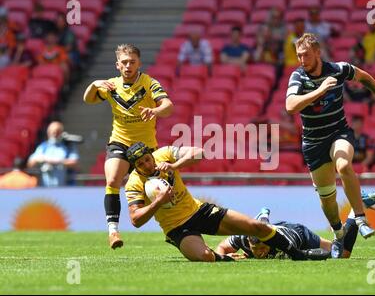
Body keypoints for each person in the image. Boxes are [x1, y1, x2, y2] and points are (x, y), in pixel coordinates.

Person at [285, 33, 375, 258]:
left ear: (318, 52)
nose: (301, 60)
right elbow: (290, 106)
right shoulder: (298, 77)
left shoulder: (339, 69)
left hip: (339, 133)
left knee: (344, 165)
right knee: (328, 200)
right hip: (313, 143)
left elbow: (364, 76)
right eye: (299, 55)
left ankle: (361, 218)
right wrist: (320, 90)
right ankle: (338, 234)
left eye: (306, 55)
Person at [125, 142, 321, 262]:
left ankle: (297, 254)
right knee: (206, 257)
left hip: (198, 211)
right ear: (135, 167)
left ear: (152, 154)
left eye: (147, 160)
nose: (146, 165)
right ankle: (221, 256)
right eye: (140, 164)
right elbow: (135, 219)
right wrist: (158, 202)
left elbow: (200, 153)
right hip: (176, 227)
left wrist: (174, 165)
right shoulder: (134, 183)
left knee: (256, 227)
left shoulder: (164, 154)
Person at [83, 44, 174, 249]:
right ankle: (113, 231)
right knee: (113, 180)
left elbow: (169, 106)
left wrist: (155, 110)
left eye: (132, 62)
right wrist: (94, 84)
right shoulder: (111, 86)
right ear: (117, 65)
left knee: (160, 190)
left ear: (138, 63)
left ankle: (172, 229)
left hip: (145, 148)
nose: (128, 65)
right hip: (120, 142)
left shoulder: (149, 83)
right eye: (124, 62)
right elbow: (88, 99)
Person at [217, 191, 375, 260]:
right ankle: (357, 206)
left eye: (263, 248)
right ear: (248, 243)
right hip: (277, 227)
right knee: (341, 252)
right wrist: (226, 258)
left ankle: (356, 206)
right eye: (256, 249)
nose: (260, 252)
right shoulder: (242, 237)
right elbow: (222, 247)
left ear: (269, 241)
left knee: (341, 254)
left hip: (299, 234)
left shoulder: (285, 241)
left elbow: (297, 256)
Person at [27, 121, 79, 187]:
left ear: (61, 133)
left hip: (63, 188)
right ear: (48, 133)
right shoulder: (43, 147)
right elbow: (30, 163)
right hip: (45, 188)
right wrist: (40, 159)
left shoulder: (67, 147)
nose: (54, 134)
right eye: (53, 132)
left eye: (57, 132)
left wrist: (56, 161)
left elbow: (74, 163)